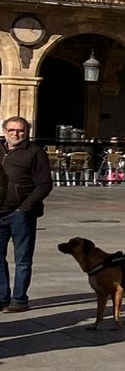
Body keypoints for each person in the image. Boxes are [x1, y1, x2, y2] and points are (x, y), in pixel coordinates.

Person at [0, 115, 53, 313]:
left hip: (21, 214)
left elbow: (45, 184)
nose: (16, 134)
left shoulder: (34, 152)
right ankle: (2, 297)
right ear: (5, 131)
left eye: (20, 130)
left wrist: (25, 208)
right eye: (12, 130)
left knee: (22, 260)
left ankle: (19, 299)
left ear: (27, 132)